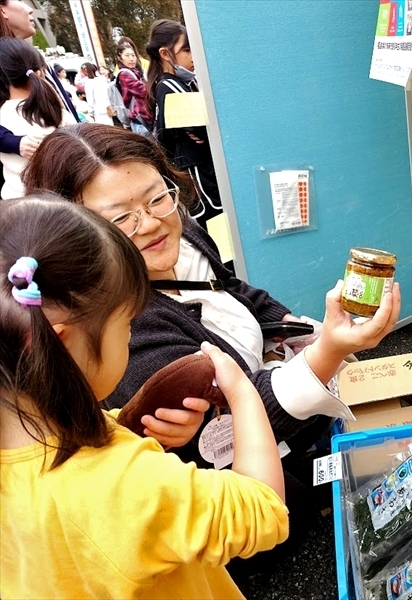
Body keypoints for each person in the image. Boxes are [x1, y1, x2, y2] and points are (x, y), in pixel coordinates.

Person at [0, 194, 289, 598]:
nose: (132, 333)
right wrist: (241, 392)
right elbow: (263, 511)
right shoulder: (125, 483)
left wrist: (126, 424)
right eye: (127, 323)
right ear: (63, 343)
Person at [145, 19, 222, 229]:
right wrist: (205, 132)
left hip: (196, 172)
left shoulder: (177, 83)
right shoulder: (170, 85)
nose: (192, 56)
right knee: (215, 225)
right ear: (164, 53)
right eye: (186, 50)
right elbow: (203, 128)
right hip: (198, 176)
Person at [0, 0, 77, 173]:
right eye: (20, 0)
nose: (30, 10)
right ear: (2, 10)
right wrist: (15, 142)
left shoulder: (33, 57)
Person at [0, 38, 76, 199]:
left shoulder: (2, 115)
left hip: (14, 204)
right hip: (61, 206)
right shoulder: (55, 114)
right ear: (40, 72)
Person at [115, 40, 152, 134]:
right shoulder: (124, 74)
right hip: (140, 120)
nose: (131, 59)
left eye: (133, 55)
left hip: (145, 119)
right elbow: (143, 90)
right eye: (127, 55)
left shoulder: (136, 72)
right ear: (120, 58)